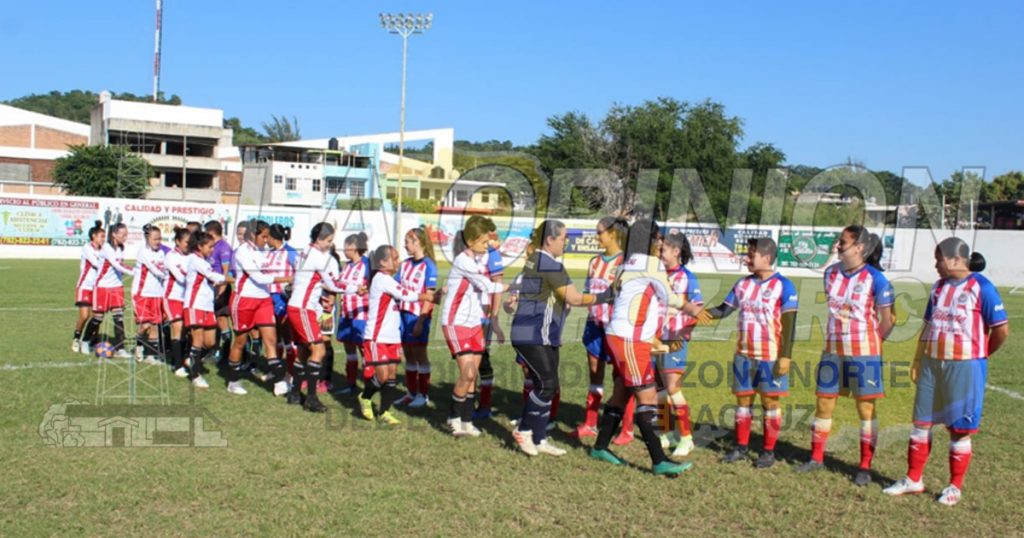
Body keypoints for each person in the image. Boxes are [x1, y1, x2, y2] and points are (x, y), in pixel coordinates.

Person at [883, 238, 1009, 506]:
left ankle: (954, 486)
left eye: (938, 259)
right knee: (921, 423)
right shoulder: (938, 288)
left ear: (954, 259)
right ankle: (914, 479)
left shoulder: (982, 288)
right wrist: (918, 360)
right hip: (932, 364)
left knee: (959, 429)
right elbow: (928, 326)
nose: (936, 265)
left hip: (965, 365)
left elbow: (1001, 331)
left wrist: (979, 355)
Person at [589, 218, 693, 476]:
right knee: (646, 397)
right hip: (630, 340)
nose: (660, 243)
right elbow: (669, 297)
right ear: (650, 240)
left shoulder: (627, 262)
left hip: (622, 336)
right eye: (658, 238)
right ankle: (659, 461)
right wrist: (691, 306)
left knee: (622, 393)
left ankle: (600, 446)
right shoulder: (651, 264)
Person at [795, 226, 894, 486]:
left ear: (859, 247)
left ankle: (864, 467)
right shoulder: (830, 273)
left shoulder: (877, 279)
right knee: (824, 404)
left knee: (865, 409)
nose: (837, 245)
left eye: (843, 241)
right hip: (832, 351)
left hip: (864, 355)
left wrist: (871, 342)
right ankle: (816, 458)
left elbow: (888, 320)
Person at [696, 237, 798, 469]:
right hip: (743, 354)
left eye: (751, 255)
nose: (747, 259)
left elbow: (790, 324)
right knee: (743, 402)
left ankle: (768, 451)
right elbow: (724, 310)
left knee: (770, 403)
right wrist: (695, 313)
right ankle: (741, 447)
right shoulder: (742, 284)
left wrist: (786, 356)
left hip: (770, 356)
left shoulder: (784, 285)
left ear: (767, 258)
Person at [511, 220, 606, 457]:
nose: (567, 242)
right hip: (533, 334)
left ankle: (540, 438)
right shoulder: (549, 263)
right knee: (547, 385)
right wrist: (606, 296)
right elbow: (574, 298)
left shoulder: (533, 260)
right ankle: (524, 430)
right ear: (550, 240)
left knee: (548, 385)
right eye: (563, 238)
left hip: (541, 333)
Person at [440, 217, 509, 437]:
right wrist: (515, 286)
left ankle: (467, 420)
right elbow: (486, 284)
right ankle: (453, 417)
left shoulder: (483, 256)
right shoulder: (463, 260)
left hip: (474, 322)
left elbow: (494, 262)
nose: (486, 246)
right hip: (455, 321)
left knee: (473, 374)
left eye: (487, 242)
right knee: (467, 373)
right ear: (470, 241)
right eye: (482, 242)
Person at [358, 245, 434, 424]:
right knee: (382, 375)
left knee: (391, 375)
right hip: (378, 337)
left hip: (392, 336)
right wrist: (428, 297)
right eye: (395, 258)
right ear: (383, 262)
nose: (398, 261)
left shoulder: (387, 279)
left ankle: (384, 412)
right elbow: (406, 295)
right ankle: (365, 396)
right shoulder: (382, 279)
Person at [574, 217, 628, 440]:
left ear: (612, 234)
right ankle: (590, 423)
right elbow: (588, 291)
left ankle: (626, 428)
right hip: (594, 326)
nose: (597, 237)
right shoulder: (594, 262)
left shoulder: (625, 263)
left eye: (600, 233)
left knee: (621, 377)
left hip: (616, 328)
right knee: (595, 375)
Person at [287, 222, 348, 413]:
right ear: (320, 239)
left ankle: (295, 393)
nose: (330, 245)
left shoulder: (303, 251)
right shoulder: (318, 257)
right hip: (303, 308)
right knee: (319, 349)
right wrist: (356, 289)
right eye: (329, 241)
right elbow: (334, 284)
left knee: (305, 351)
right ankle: (311, 399)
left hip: (299, 306)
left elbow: (307, 282)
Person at [228, 220, 292, 396]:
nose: (266, 240)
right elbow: (260, 278)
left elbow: (268, 274)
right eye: (263, 236)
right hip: (244, 300)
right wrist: (286, 279)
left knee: (270, 340)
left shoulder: (260, 251)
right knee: (240, 341)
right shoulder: (242, 252)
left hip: (263, 300)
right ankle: (233, 381)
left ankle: (279, 382)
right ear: (252, 235)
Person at [655, 231, 704, 458]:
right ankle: (667, 433)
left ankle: (686, 437)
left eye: (663, 249)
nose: (659, 252)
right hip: (654, 339)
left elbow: (698, 311)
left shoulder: (688, 278)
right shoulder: (657, 274)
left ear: (676, 252)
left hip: (675, 339)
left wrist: (683, 335)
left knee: (673, 388)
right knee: (660, 390)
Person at [396, 227, 439, 408]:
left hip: (417, 316)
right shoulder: (405, 264)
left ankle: (423, 395)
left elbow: (430, 297)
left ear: (417, 242)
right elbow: (395, 286)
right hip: (402, 314)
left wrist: (421, 321)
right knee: (408, 355)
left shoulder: (429, 266)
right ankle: (411, 393)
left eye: (408, 241)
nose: (405, 245)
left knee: (420, 354)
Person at [81, 222, 133, 358]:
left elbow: (120, 264)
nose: (125, 237)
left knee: (119, 318)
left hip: (117, 287)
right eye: (122, 234)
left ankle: (121, 348)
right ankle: (85, 341)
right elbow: (116, 265)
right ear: (114, 234)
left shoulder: (121, 247)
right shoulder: (107, 248)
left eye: (126, 234)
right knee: (98, 318)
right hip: (102, 287)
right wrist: (135, 272)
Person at [183, 231, 227, 388]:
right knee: (198, 339)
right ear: (200, 246)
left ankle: (191, 358)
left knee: (210, 342)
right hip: (195, 305)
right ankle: (195, 375)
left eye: (213, 246)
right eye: (210, 246)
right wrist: (231, 278)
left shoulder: (204, 260)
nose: (212, 249)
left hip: (207, 306)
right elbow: (214, 276)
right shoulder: (196, 260)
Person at [474, 217, 506, 419]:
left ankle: (484, 405)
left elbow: (498, 287)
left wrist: (494, 317)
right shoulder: (469, 254)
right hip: (465, 317)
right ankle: (468, 402)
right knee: (468, 362)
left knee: (482, 360)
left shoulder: (492, 255)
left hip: (483, 318)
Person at [334, 232, 371, 394]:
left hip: (362, 314)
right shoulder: (347, 265)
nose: (345, 249)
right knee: (349, 349)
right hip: (346, 313)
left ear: (355, 247)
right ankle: (351, 384)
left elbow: (374, 284)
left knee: (364, 349)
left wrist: (366, 289)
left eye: (347, 246)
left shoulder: (367, 264)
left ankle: (369, 385)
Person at [265, 224, 298, 383]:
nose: (266, 241)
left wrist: (291, 288)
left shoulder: (290, 251)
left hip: (282, 298)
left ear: (273, 237)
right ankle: (275, 370)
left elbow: (299, 273)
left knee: (287, 336)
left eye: (267, 238)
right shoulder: (269, 253)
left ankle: (290, 373)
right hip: (267, 297)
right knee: (273, 335)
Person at [131, 224, 168, 364]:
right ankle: (139, 344)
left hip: (157, 294)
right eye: (155, 239)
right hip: (142, 294)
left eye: (159, 238)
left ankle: (151, 356)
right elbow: (157, 271)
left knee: (154, 325)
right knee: (145, 325)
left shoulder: (161, 253)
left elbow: (164, 270)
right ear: (147, 238)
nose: (158, 241)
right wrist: (168, 274)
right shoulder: (143, 252)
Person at [72, 221, 105, 354]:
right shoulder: (87, 248)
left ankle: (92, 340)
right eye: (101, 236)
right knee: (85, 316)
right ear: (94, 236)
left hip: (98, 288)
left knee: (96, 317)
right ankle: (76, 338)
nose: (103, 239)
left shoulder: (104, 250)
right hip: (85, 286)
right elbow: (97, 264)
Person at [164, 227, 191, 377]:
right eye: (186, 242)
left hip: (186, 299)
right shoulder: (171, 257)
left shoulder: (192, 256)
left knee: (186, 329)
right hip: (172, 297)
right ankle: (177, 365)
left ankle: (181, 358)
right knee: (178, 327)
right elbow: (181, 278)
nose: (189, 244)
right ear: (178, 242)